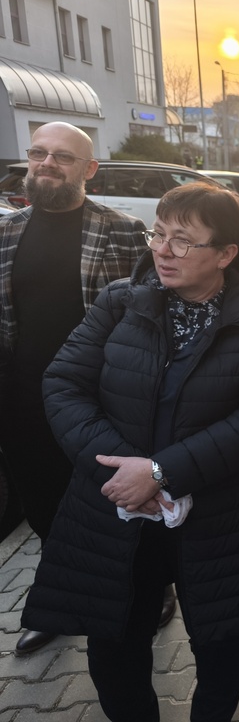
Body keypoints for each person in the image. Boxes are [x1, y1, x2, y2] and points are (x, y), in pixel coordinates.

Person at [22, 183, 239, 721]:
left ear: (225, 255)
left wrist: (161, 472)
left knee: (219, 640)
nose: (164, 251)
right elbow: (62, 384)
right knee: (114, 639)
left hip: (220, 514)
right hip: (114, 506)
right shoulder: (121, 301)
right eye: (160, 235)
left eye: (183, 241)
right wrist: (124, 472)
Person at [0, 121, 177, 657]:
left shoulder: (122, 230)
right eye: (38, 154)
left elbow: (153, 314)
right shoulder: (6, 231)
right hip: (22, 399)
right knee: (43, 503)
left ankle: (153, 586)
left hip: (100, 399)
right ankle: (64, 597)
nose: (47, 164)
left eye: (62, 157)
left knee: (119, 499)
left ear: (89, 169)